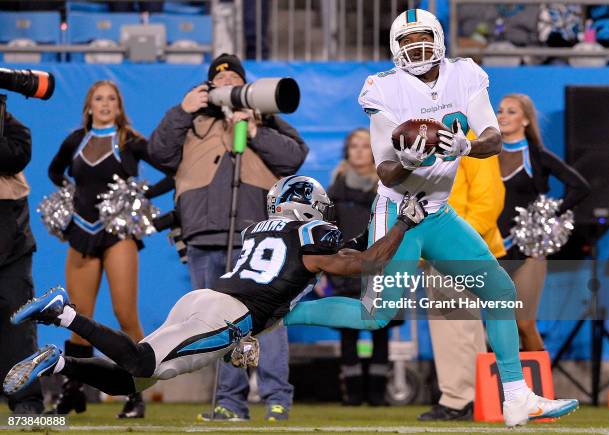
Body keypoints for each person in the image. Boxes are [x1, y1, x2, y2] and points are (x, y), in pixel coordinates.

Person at [3, 177, 427, 406]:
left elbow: (338, 253)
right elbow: (367, 261)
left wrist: (374, 226)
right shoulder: (314, 233)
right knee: (141, 359)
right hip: (231, 315)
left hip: (205, 299)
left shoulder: (262, 229)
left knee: (131, 382)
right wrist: (404, 223)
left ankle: (61, 364)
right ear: (309, 205)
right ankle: (63, 315)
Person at [349, 8, 577, 427]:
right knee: (377, 311)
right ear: (395, 49)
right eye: (407, 41)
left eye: (423, 38)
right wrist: (406, 160)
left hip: (437, 212)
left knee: (500, 292)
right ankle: (276, 313)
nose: (416, 48)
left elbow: (491, 138)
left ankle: (515, 397)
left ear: (438, 39)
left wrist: (467, 147)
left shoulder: (465, 74)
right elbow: (384, 171)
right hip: (398, 208)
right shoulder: (382, 87)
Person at [148, 53, 307, 422]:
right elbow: (159, 153)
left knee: (267, 319)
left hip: (256, 238)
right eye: (219, 81)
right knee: (215, 323)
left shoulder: (265, 120)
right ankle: (229, 403)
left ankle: (276, 399)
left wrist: (254, 131)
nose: (226, 86)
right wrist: (181, 110)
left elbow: (294, 158)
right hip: (203, 234)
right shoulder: (191, 120)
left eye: (234, 80)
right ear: (206, 87)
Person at [47, 80, 173, 418]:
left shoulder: (129, 141)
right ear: (89, 105)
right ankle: (73, 391)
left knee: (125, 314)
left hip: (118, 234)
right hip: (82, 233)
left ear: (119, 107)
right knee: (77, 316)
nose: (105, 104)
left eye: (111, 99)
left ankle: (136, 391)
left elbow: (173, 173)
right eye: (98, 99)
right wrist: (68, 195)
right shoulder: (75, 140)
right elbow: (54, 171)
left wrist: (141, 196)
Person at [496, 93, 589, 351]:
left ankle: (541, 387)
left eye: (511, 111)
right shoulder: (487, 155)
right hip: (492, 247)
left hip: (527, 250)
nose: (503, 115)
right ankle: (507, 389)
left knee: (524, 324)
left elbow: (580, 187)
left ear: (526, 120)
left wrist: (549, 214)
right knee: (499, 327)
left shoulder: (537, 156)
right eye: (500, 110)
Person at [418, 152, 506, 421]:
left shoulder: (470, 141)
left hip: (459, 248)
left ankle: (461, 399)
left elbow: (487, 200)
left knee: (457, 326)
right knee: (454, 327)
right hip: (440, 246)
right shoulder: (433, 144)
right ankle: (468, 396)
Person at [321, 128, 391, 406]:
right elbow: (327, 232)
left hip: (382, 268)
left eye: (365, 146)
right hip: (346, 267)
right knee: (348, 331)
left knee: (381, 329)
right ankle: (351, 394)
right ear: (347, 152)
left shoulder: (388, 187)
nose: (360, 151)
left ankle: (377, 394)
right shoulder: (334, 190)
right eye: (354, 146)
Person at [0, 111, 43, 414]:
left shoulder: (13, 127)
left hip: (10, 240)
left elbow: (13, 158)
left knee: (18, 323)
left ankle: (25, 399)